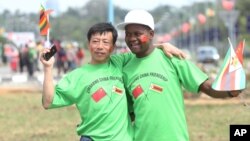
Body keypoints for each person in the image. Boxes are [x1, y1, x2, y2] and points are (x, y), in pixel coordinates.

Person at [39, 22, 184, 141]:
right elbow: (47, 102)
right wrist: (48, 68)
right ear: (88, 44)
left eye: (105, 42)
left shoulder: (120, 62)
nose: (100, 46)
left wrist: (162, 45)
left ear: (113, 47)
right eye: (95, 41)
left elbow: (144, 50)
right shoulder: (77, 76)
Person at [116, 9, 243, 141]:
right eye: (128, 34)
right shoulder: (125, 69)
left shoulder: (172, 58)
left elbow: (207, 87)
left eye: (137, 34)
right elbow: (129, 113)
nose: (131, 38)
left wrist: (230, 92)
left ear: (151, 34)